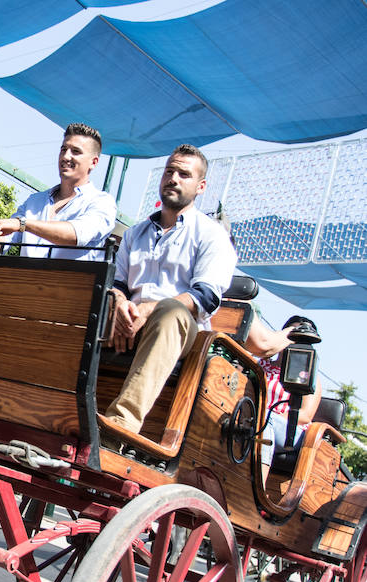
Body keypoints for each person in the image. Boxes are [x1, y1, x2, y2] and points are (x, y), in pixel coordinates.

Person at [102, 144, 237, 441]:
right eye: (169, 171)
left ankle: (120, 426)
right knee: (91, 299)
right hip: (129, 320)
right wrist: (120, 304)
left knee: (169, 312)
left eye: (184, 174)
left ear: (201, 186)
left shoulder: (211, 234)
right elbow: (119, 283)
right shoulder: (135, 234)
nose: (173, 178)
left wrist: (147, 309)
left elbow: (205, 296)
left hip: (181, 331)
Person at [0, 123, 116, 260]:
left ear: (93, 162)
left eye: (76, 152)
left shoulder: (102, 203)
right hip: (23, 284)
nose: (66, 156)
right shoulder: (34, 201)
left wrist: (23, 224)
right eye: (63, 149)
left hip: (71, 286)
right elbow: (2, 244)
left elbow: (76, 235)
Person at [245, 315, 323, 473]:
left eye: (301, 338)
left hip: (289, 428)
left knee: (265, 422)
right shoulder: (260, 365)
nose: (294, 341)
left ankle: (258, 487)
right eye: (292, 335)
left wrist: (266, 414)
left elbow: (305, 415)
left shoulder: (308, 375)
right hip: (251, 416)